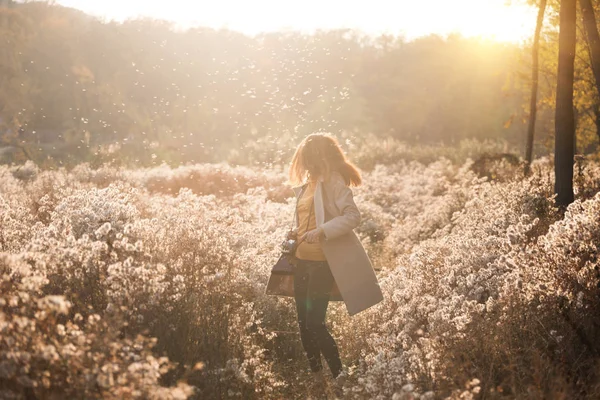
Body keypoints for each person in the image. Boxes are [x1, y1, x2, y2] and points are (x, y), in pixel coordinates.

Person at [285, 133, 384, 396]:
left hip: (322, 263)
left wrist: (323, 231)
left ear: (317, 157)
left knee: (315, 323)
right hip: (302, 262)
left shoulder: (333, 181)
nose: (304, 163)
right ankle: (317, 378)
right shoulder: (308, 185)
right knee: (303, 323)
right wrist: (294, 234)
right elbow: (308, 220)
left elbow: (353, 216)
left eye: (308, 158)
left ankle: (340, 377)